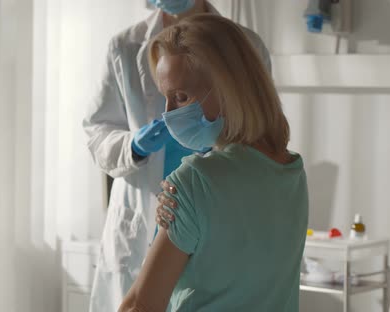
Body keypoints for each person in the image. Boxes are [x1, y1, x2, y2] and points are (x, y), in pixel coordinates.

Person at [82, 0, 272, 310]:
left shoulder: (246, 45)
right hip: (148, 217)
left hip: (215, 208)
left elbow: (257, 120)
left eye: (181, 98)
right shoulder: (126, 46)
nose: (171, 112)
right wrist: (133, 146)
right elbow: (97, 130)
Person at [119, 14, 308, 312]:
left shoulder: (194, 180)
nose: (168, 114)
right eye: (166, 99)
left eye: (180, 97)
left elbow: (141, 307)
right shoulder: (292, 171)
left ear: (227, 89)